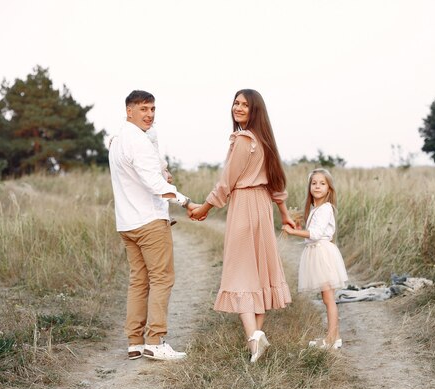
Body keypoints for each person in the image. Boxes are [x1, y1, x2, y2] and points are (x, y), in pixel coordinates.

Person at [190, 89, 295, 363]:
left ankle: (254, 338)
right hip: (262, 207)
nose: (238, 108)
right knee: (259, 274)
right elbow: (276, 182)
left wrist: (205, 207)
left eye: (244, 105)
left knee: (240, 274)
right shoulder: (264, 141)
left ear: (254, 110)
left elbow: (227, 181)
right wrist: (283, 214)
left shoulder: (243, 140)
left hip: (244, 204)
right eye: (236, 103)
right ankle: (256, 342)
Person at [108, 90, 198, 361]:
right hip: (148, 221)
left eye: (153, 109)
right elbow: (154, 184)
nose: (149, 115)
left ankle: (135, 342)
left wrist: (161, 169)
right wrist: (185, 201)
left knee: (139, 281)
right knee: (162, 278)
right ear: (129, 111)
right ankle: (156, 340)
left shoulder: (118, 140)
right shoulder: (137, 141)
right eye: (144, 109)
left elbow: (147, 172)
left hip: (127, 223)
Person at [282, 168, 349, 350]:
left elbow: (316, 234)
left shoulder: (326, 208)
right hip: (317, 252)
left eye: (322, 183)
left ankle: (331, 339)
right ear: (309, 187)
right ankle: (333, 337)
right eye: (314, 183)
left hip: (323, 254)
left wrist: (294, 232)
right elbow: (310, 234)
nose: (317, 186)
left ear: (329, 188)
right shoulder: (315, 209)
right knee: (326, 297)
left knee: (328, 298)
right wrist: (298, 227)